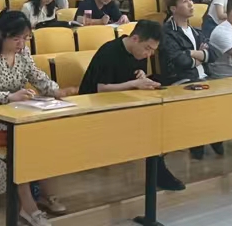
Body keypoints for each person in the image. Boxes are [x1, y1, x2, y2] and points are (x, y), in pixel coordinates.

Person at [0, 11, 76, 225]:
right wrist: (9, 96)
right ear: (2, 34)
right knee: (20, 145)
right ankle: (28, 207)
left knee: (44, 137)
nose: (21, 44)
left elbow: (36, 75)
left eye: (25, 38)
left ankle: (45, 193)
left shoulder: (23, 53)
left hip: (14, 112)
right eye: (16, 38)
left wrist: (55, 90)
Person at [78, 20, 185, 190]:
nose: (148, 54)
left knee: (161, 118)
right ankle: (158, 172)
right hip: (96, 106)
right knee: (150, 126)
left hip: (123, 102)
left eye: (153, 51)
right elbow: (100, 89)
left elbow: (130, 79)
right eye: (147, 48)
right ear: (135, 39)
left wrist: (141, 76)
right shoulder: (109, 51)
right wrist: (134, 84)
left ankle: (158, 168)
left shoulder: (138, 52)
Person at [160, 0, 220, 159]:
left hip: (204, 76)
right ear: (173, 8)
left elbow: (213, 55)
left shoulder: (196, 30)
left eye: (191, 0)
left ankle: (215, 135)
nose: (191, 4)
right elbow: (181, 61)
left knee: (228, 91)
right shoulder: (167, 32)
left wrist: (191, 53)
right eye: (185, 1)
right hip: (180, 79)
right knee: (202, 96)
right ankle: (198, 142)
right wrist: (200, 56)